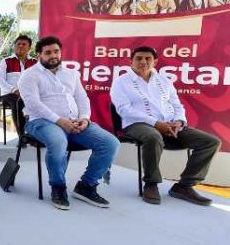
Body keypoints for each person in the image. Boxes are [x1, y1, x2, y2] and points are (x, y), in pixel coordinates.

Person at [18, 36, 119, 210]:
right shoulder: (29, 75)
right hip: (41, 122)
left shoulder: (71, 73)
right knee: (58, 142)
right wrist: (60, 121)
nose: (53, 55)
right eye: (48, 52)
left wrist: (85, 118)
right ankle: (58, 187)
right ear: (39, 55)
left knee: (110, 143)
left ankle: (86, 186)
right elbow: (33, 104)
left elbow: (82, 98)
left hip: (75, 121)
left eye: (56, 51)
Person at [110, 46, 219, 205]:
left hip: (170, 125)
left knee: (210, 142)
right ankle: (151, 183)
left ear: (155, 61)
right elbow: (124, 110)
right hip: (136, 124)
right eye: (139, 58)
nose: (143, 62)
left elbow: (177, 105)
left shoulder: (164, 81)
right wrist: (156, 124)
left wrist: (179, 122)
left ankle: (184, 186)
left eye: (148, 59)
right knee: (153, 135)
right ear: (131, 61)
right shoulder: (121, 82)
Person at [0, 35, 37, 130]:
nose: (20, 46)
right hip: (9, 94)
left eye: (24, 44)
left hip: (29, 94)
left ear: (29, 48)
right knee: (18, 100)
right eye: (18, 44)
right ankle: (22, 136)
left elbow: (39, 81)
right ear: (14, 46)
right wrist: (14, 89)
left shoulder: (35, 63)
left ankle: (38, 133)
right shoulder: (6, 61)